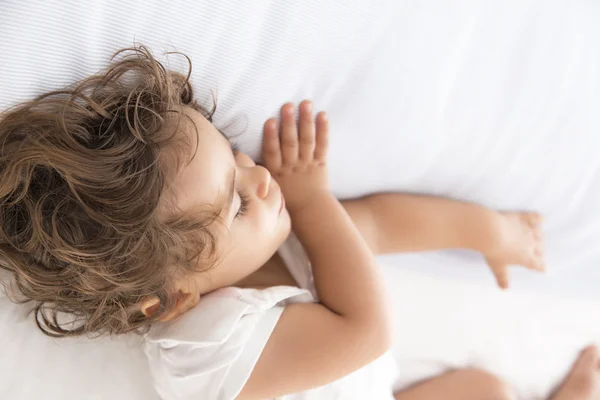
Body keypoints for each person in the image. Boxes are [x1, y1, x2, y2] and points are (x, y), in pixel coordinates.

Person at [0, 46, 594, 399]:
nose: (263, 179)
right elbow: (368, 332)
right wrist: (311, 200)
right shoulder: (198, 348)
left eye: (236, 157)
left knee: (484, 391)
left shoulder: (262, 251)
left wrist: (489, 232)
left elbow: (378, 228)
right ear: (170, 297)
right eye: (237, 202)